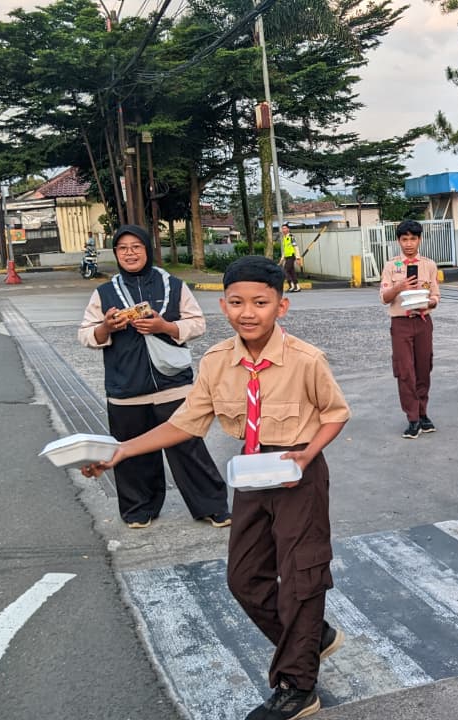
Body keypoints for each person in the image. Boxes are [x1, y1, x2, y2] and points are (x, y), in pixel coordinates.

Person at [81, 255, 350, 720]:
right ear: (223, 306)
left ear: (281, 306)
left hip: (297, 471)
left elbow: (335, 413)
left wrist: (308, 454)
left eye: (260, 303)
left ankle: (297, 686)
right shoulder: (217, 362)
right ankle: (313, 638)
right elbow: (185, 423)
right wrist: (122, 450)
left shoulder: (306, 360)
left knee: (300, 578)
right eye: (237, 302)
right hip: (251, 472)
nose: (248, 312)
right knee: (244, 578)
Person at [77, 224, 231, 530]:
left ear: (148, 250)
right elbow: (85, 334)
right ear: (116, 253)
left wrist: (165, 327)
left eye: (136, 247)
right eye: (123, 248)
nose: (130, 253)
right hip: (125, 386)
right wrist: (106, 328)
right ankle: (139, 508)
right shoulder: (104, 292)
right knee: (130, 450)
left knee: (187, 447)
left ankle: (211, 506)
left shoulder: (173, 284)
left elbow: (197, 323)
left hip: (172, 384)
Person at [379, 219, 441, 439]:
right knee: (405, 371)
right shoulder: (391, 266)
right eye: (404, 239)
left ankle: (423, 414)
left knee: (424, 368)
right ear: (398, 241)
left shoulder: (429, 265)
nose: (408, 244)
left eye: (413, 239)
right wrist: (399, 286)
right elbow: (384, 298)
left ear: (419, 239)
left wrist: (430, 303)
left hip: (423, 322)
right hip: (401, 324)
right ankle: (412, 418)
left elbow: (436, 295)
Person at [281, 224, 301, 293]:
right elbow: (285, 249)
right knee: (292, 272)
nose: (283, 230)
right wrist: (282, 259)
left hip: (291, 256)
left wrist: (298, 258)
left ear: (288, 229)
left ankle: (291, 285)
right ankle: (297, 287)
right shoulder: (284, 238)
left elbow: (296, 247)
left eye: (285, 228)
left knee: (285, 270)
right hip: (287, 257)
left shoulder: (291, 237)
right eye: (282, 228)